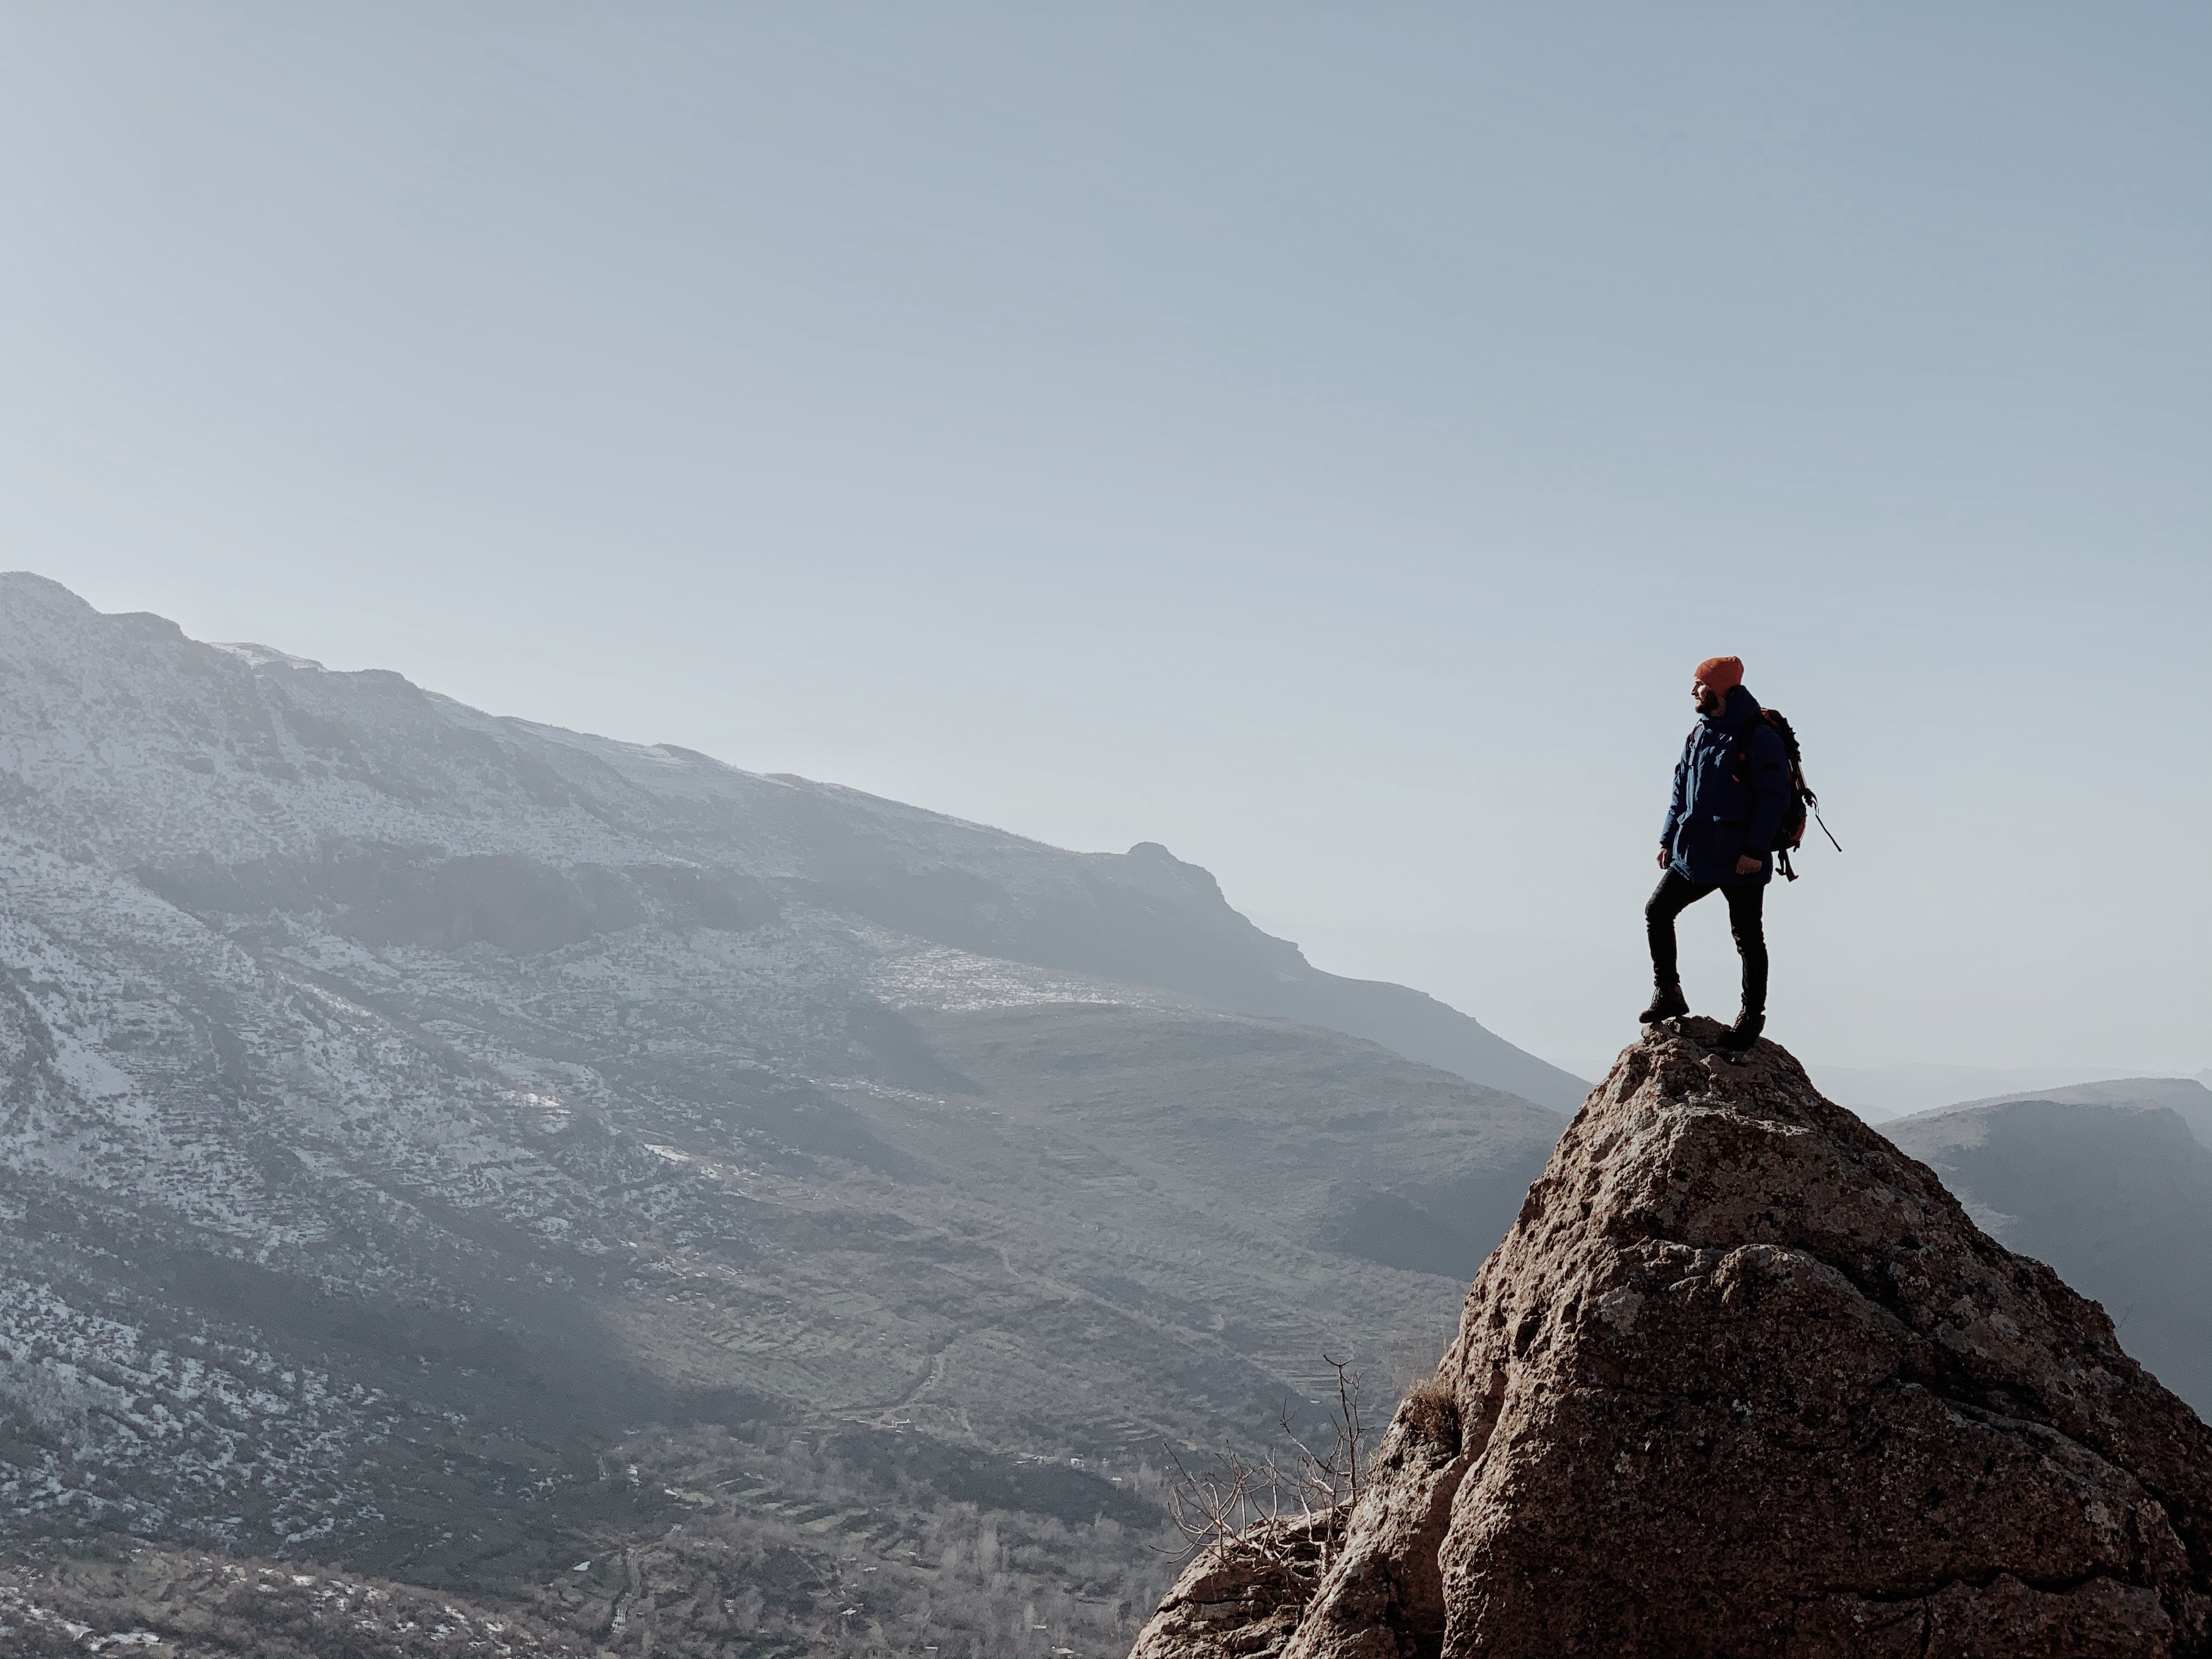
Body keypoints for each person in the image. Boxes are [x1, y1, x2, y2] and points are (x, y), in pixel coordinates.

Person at [1640, 655, 1791, 1051]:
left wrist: (1756, 850)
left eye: (1699, 685)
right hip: (1696, 853)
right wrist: (1668, 838)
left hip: (1741, 857)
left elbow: (1774, 799)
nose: (1693, 691)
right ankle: (1668, 992)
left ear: (1721, 689)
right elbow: (1680, 790)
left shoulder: (1758, 735)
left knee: (1747, 937)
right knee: (1658, 911)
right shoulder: (1698, 733)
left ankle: (1750, 1017)